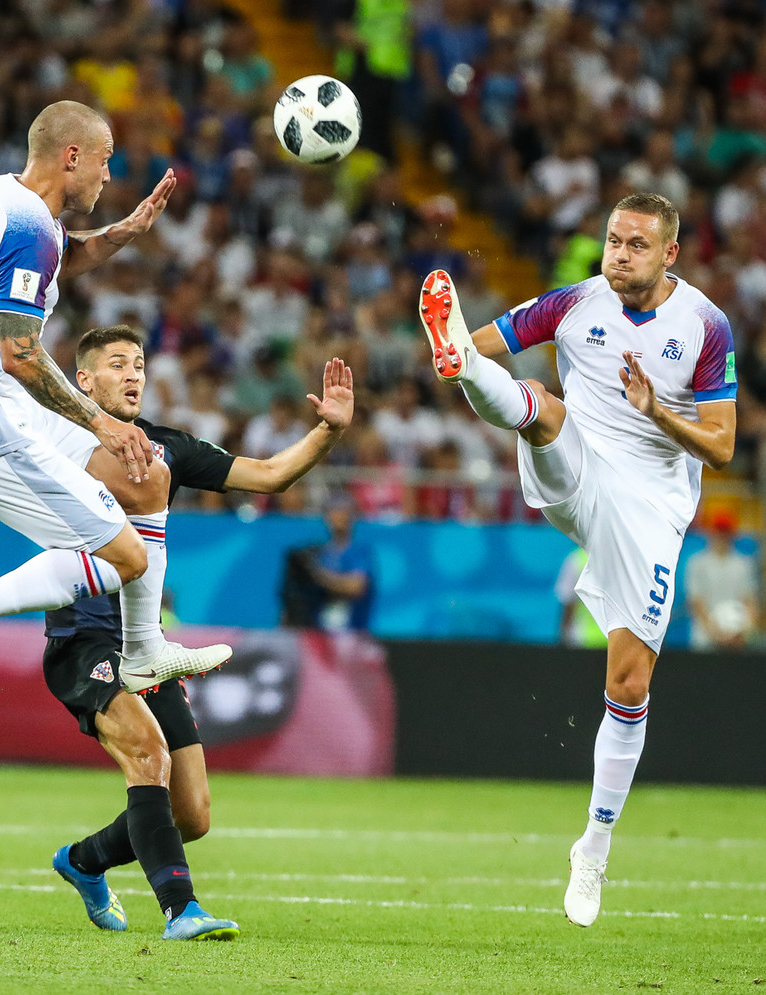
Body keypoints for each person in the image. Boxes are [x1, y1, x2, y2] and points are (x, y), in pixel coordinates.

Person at [0, 325, 354, 941]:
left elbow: (270, 475)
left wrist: (329, 430)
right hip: (82, 639)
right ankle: (181, 910)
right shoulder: (44, 440)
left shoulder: (166, 449)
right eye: (117, 364)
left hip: (146, 648)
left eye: (138, 363)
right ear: (83, 380)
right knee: (147, 754)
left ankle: (83, 861)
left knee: (193, 814)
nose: (134, 374)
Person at [418, 192, 736, 927]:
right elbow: (492, 338)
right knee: (539, 404)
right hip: (580, 471)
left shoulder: (705, 325)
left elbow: (722, 447)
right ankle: (464, 369)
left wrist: (657, 410)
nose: (619, 254)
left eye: (636, 244)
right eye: (613, 240)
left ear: (669, 254)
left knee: (629, 681)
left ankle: (593, 845)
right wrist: (461, 350)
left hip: (650, 509)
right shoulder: (573, 302)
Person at [0, 100, 230, 696]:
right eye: (104, 160)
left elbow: (61, 256)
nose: (109, 174)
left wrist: (124, 232)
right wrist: (102, 424)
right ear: (72, 156)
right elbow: (21, 354)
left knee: (147, 475)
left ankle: (144, 652)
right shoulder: (28, 229)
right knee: (125, 559)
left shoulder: (0, 196)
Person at [280, 495, 374, 632]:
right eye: (334, 512)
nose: (339, 516)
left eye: (344, 512)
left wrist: (317, 574)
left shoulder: (358, 551)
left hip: (350, 630)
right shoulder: (319, 551)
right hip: (318, 630)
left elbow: (356, 586)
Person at [684, 507, 760, 650]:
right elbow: (696, 602)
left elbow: (749, 601)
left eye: (725, 531)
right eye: (719, 531)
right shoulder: (698, 563)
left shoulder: (743, 564)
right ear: (711, 532)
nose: (722, 536)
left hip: (736, 638)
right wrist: (715, 632)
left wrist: (744, 632)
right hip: (705, 638)